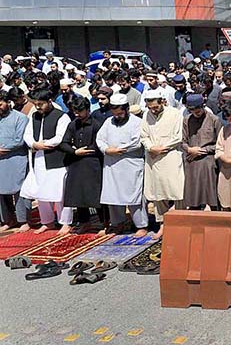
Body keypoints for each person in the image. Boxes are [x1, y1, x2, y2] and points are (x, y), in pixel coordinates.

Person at [21, 86, 72, 234]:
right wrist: (34, 144)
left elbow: (60, 137)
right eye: (36, 104)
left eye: (41, 104)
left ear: (49, 101)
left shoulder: (62, 116)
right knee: (42, 192)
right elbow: (28, 134)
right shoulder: (34, 116)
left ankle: (65, 223)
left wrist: (45, 144)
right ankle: (47, 221)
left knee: (60, 193)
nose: (38, 107)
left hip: (56, 159)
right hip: (39, 158)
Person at [96, 94, 147, 237]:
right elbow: (100, 139)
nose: (117, 116)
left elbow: (137, 142)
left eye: (120, 113)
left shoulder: (137, 122)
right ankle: (118, 223)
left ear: (127, 109)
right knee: (113, 196)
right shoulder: (108, 122)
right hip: (112, 165)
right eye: (115, 113)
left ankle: (141, 225)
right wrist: (106, 149)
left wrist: (118, 149)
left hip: (130, 164)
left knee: (134, 197)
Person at [141, 89, 185, 239]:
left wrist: (162, 148)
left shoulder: (174, 114)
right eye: (150, 107)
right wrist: (151, 147)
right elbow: (144, 136)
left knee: (175, 190)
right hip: (153, 158)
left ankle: (177, 222)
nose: (153, 110)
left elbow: (178, 137)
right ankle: (162, 224)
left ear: (162, 102)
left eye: (155, 107)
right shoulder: (146, 115)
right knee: (158, 193)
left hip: (170, 156)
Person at [59, 96, 105, 234]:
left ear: (87, 110)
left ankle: (103, 222)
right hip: (76, 162)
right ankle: (84, 221)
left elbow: (99, 144)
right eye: (75, 111)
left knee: (95, 194)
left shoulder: (96, 124)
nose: (77, 114)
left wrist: (85, 151)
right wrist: (74, 151)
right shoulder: (73, 124)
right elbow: (63, 143)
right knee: (78, 194)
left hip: (92, 163)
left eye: (80, 111)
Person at [181, 94, 222, 211]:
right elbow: (182, 141)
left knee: (211, 192)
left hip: (208, 158)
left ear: (203, 106)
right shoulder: (186, 120)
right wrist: (189, 149)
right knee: (193, 195)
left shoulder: (214, 120)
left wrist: (203, 150)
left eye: (198, 109)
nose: (196, 112)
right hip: (191, 158)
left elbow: (220, 143)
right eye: (192, 110)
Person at [0, 91, 27, 231]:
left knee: (18, 190)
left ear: (8, 103)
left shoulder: (20, 118)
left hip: (16, 159)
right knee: (1, 192)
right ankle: (8, 220)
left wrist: (3, 149)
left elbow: (19, 140)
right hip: (1, 161)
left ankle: (23, 220)